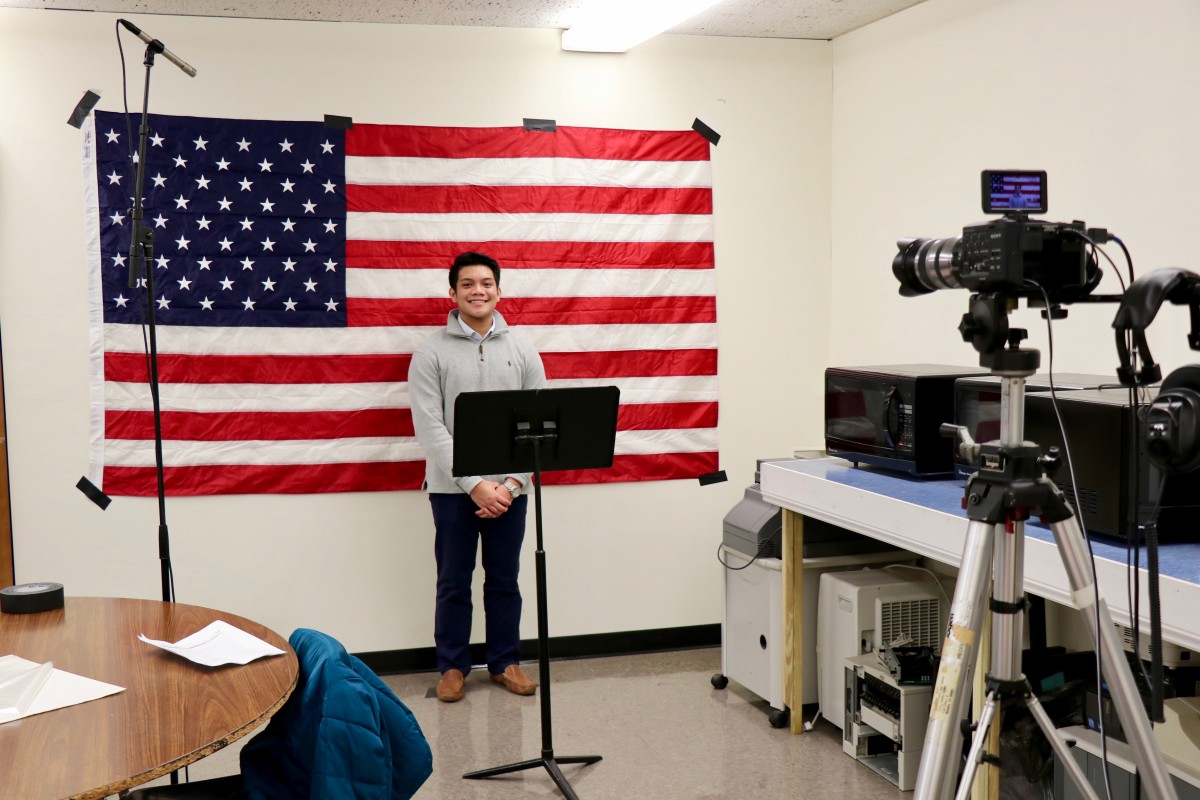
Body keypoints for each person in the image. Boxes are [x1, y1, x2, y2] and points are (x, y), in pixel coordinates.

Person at [408, 251, 547, 703]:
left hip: (511, 490)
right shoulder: (430, 352)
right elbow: (430, 427)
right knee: (453, 580)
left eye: (486, 283)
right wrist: (475, 484)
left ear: (499, 291)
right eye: (467, 284)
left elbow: (539, 425)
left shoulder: (523, 349)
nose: (478, 291)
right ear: (453, 293)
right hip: (452, 491)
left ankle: (506, 661)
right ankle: (452, 666)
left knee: (504, 578)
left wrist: (507, 485)